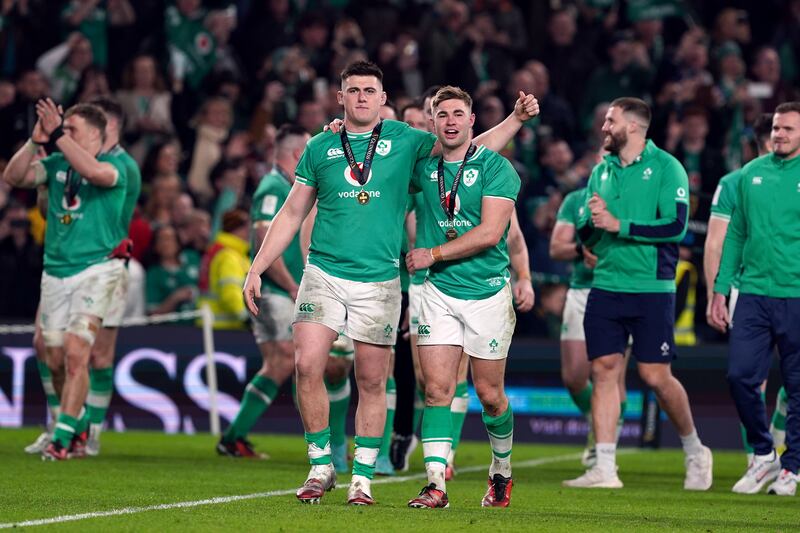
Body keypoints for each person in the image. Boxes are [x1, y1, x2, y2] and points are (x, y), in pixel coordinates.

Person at [243, 60, 537, 506]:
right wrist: (256, 267)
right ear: (340, 97)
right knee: (308, 365)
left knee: (385, 382)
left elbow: (467, 149)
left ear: (383, 100)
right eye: (353, 90)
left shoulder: (406, 141)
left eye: (370, 90)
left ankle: (363, 479)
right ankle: (324, 465)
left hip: (382, 280)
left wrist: (514, 120)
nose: (361, 97)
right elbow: (291, 212)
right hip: (324, 272)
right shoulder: (321, 145)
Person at [563, 97, 712, 490]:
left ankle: (695, 450)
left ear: (631, 126)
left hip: (651, 287)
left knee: (655, 376)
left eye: (609, 121)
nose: (603, 128)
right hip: (607, 285)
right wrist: (590, 230)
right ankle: (605, 468)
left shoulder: (667, 168)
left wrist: (617, 224)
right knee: (603, 370)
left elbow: (676, 227)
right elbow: (587, 231)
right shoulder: (602, 171)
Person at [404, 86, 523, 509]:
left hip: (488, 294)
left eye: (459, 114)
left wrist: (431, 252)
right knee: (436, 389)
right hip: (438, 291)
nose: (451, 121)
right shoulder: (423, 167)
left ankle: (501, 472)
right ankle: (435, 483)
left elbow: (492, 234)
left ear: (472, 121)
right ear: (432, 122)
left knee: (490, 395)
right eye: (442, 115)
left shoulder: (498, 169)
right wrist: (340, 128)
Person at [3, 99, 127, 460]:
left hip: (96, 270)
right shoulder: (56, 164)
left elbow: (96, 175)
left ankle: (62, 437)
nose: (65, 135)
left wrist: (57, 134)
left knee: (77, 353)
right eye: (64, 128)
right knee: (53, 357)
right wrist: (33, 141)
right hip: (56, 273)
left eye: (72, 130)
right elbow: (13, 177)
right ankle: (78, 420)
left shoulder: (118, 165)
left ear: (94, 135)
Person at [710, 102, 800, 496]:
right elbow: (735, 236)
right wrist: (719, 288)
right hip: (753, 294)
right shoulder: (749, 174)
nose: (779, 134)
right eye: (776, 128)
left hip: (796, 296)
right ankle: (764, 453)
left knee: (798, 388)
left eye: (788, 129)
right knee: (740, 376)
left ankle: (792, 467)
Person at [217, 125, 309, 458]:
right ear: (298, 154)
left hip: (284, 291)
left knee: (283, 362)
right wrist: (291, 286)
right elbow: (263, 242)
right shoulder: (273, 188)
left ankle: (234, 436)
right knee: (284, 360)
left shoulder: (288, 187)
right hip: (274, 291)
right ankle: (234, 436)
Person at [550, 184, 629, 467]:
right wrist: (581, 250)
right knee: (573, 376)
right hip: (581, 290)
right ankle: (596, 421)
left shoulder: (630, 194)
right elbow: (556, 247)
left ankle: (604, 446)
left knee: (610, 374)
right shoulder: (575, 199)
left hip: (619, 287)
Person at [81, 95, 142, 456]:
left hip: (107, 266)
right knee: (58, 350)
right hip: (74, 265)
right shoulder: (85, 163)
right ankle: (65, 425)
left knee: (99, 356)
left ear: (112, 125)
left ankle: (91, 433)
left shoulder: (121, 166)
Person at [199, 209, 250, 330]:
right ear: (238, 230)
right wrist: (245, 317)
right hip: (224, 327)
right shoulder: (229, 256)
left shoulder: (221, 251)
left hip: (212, 323)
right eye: (247, 228)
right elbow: (230, 293)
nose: (249, 233)